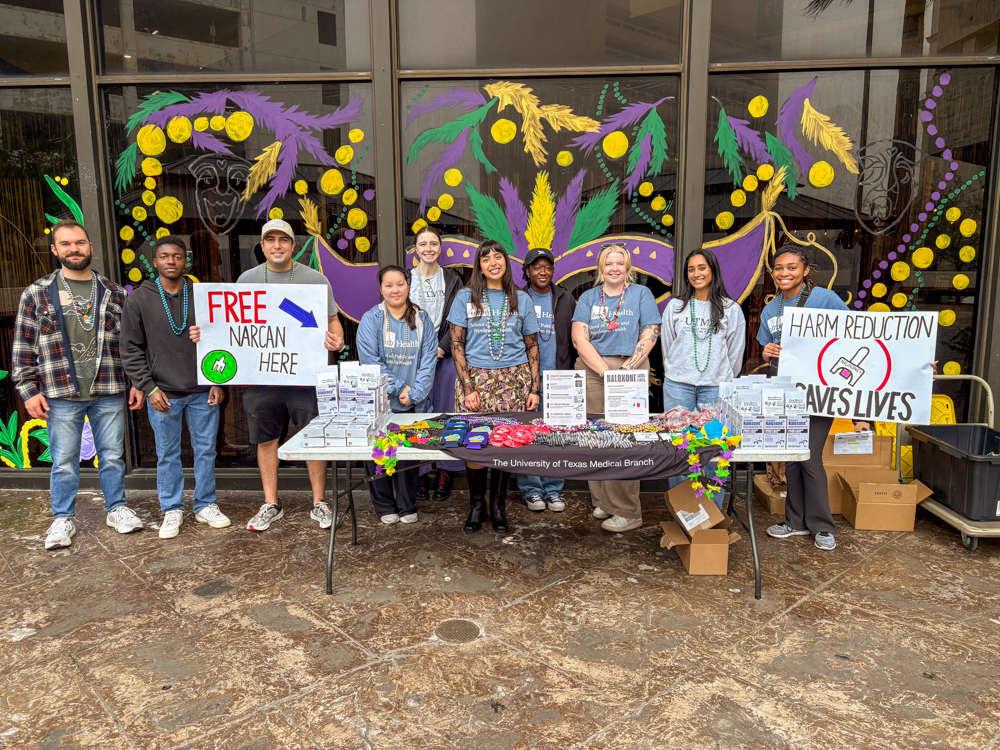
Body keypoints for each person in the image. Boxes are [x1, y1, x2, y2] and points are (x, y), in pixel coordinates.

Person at [190, 219, 344, 532]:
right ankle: (270, 503)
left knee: (313, 439)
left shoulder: (314, 279)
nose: (277, 245)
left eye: (283, 240)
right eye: (270, 240)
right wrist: (204, 335)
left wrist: (337, 340)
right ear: (262, 246)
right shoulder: (247, 280)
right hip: (261, 378)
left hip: (303, 378)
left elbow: (332, 320)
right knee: (265, 440)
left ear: (292, 245)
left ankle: (319, 502)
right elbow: (229, 327)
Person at [13, 220, 145, 550]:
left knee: (113, 456)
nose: (75, 248)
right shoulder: (37, 293)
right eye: (67, 244)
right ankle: (62, 518)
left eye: (80, 243)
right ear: (55, 250)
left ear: (89, 247)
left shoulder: (113, 292)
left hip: (108, 388)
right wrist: (29, 390)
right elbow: (23, 346)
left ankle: (117, 509)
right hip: (60, 392)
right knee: (64, 461)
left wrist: (136, 383)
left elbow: (129, 344)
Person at [121, 236, 230, 540]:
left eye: (178, 256)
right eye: (165, 256)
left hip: (202, 389)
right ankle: (172, 508)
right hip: (163, 391)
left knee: (206, 450)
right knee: (168, 453)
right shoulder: (139, 299)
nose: (171, 261)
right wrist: (148, 387)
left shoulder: (203, 296)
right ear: (154, 262)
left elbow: (224, 340)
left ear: (186, 261)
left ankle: (205, 504)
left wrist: (217, 382)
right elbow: (130, 348)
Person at [758, 247, 847, 551]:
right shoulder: (770, 310)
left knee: (809, 457)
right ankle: (795, 522)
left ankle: (823, 526)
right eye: (779, 268)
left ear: (806, 270)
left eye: (792, 267)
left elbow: (859, 337)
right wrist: (765, 351)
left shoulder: (825, 299)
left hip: (821, 389)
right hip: (784, 389)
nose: (784, 273)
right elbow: (766, 347)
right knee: (793, 457)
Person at [448, 240, 540, 533]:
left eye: (497, 256)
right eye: (485, 258)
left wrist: (534, 389)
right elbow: (457, 344)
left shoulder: (521, 298)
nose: (492, 262)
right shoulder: (465, 297)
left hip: (514, 381)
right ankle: (477, 505)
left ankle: (498, 505)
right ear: (480, 266)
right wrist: (467, 388)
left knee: (505, 444)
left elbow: (532, 346)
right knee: (474, 447)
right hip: (476, 381)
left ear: (505, 262)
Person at [571, 242, 661, 532]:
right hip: (593, 369)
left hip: (629, 368)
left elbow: (650, 333)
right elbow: (579, 339)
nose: (613, 268)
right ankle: (603, 501)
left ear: (627, 268)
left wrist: (625, 370)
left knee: (624, 439)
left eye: (619, 263)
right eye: (608, 263)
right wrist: (604, 371)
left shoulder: (641, 294)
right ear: (600, 267)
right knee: (596, 436)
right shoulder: (587, 298)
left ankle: (627, 511)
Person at [661, 249, 746, 510]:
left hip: (715, 389)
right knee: (679, 451)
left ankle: (712, 514)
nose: (696, 274)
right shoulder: (675, 306)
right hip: (678, 386)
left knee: (712, 451)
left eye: (702, 268)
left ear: (713, 271)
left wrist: (717, 378)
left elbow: (735, 355)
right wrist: (681, 371)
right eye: (691, 269)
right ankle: (683, 511)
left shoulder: (731, 310)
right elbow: (667, 347)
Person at [357, 266, 437, 524]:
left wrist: (415, 393)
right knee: (380, 455)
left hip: (413, 403)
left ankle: (406, 505)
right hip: (382, 403)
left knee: (407, 458)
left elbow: (428, 362)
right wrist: (399, 387)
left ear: (408, 285)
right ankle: (383, 506)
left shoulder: (422, 319)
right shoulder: (372, 319)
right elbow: (370, 360)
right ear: (381, 288)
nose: (395, 290)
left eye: (400, 284)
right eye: (389, 285)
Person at [516, 247, 576, 513]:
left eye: (547, 267)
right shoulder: (516, 299)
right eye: (536, 267)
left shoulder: (565, 297)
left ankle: (552, 489)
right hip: (527, 379)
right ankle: (531, 489)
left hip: (558, 377)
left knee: (555, 436)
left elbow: (575, 337)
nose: (543, 272)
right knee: (528, 435)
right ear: (527, 272)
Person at [409, 225, 464, 502]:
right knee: (417, 413)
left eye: (433, 244)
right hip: (411, 358)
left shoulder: (452, 280)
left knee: (446, 411)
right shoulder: (405, 280)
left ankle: (445, 469)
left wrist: (442, 347)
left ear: (440, 249)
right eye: (423, 244)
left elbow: (457, 317)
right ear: (415, 250)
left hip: (444, 357)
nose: (428, 249)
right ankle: (417, 471)